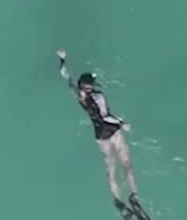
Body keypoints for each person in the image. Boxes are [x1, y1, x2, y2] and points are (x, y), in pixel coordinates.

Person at [56, 49, 139, 209]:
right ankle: (134, 195)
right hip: (113, 132)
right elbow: (106, 116)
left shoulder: (77, 94)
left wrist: (62, 60)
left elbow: (65, 75)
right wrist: (122, 123)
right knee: (126, 163)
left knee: (110, 166)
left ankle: (116, 198)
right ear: (89, 87)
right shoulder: (98, 96)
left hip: (100, 136)